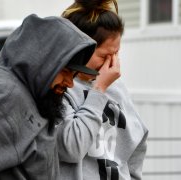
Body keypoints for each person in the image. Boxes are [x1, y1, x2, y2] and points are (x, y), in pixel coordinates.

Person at [0, 14, 99, 180]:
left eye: (74, 74)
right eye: (65, 71)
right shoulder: (0, 97)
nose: (70, 83)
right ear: (41, 61)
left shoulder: (31, 89)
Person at [57, 0, 149, 179]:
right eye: (104, 56)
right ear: (79, 48)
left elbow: (138, 141)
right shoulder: (61, 87)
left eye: (116, 54)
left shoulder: (117, 88)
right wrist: (99, 90)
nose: (113, 65)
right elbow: (70, 149)